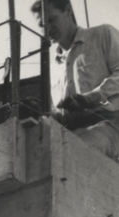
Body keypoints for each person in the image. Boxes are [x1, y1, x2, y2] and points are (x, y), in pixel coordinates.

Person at [33, 0, 119, 161]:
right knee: (44, 157)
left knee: (70, 154)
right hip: (72, 134)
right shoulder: (54, 69)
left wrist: (91, 98)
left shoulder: (102, 35)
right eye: (42, 26)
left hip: (110, 127)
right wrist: (44, 112)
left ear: (67, 10)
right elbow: (61, 116)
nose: (48, 30)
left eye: (51, 20)